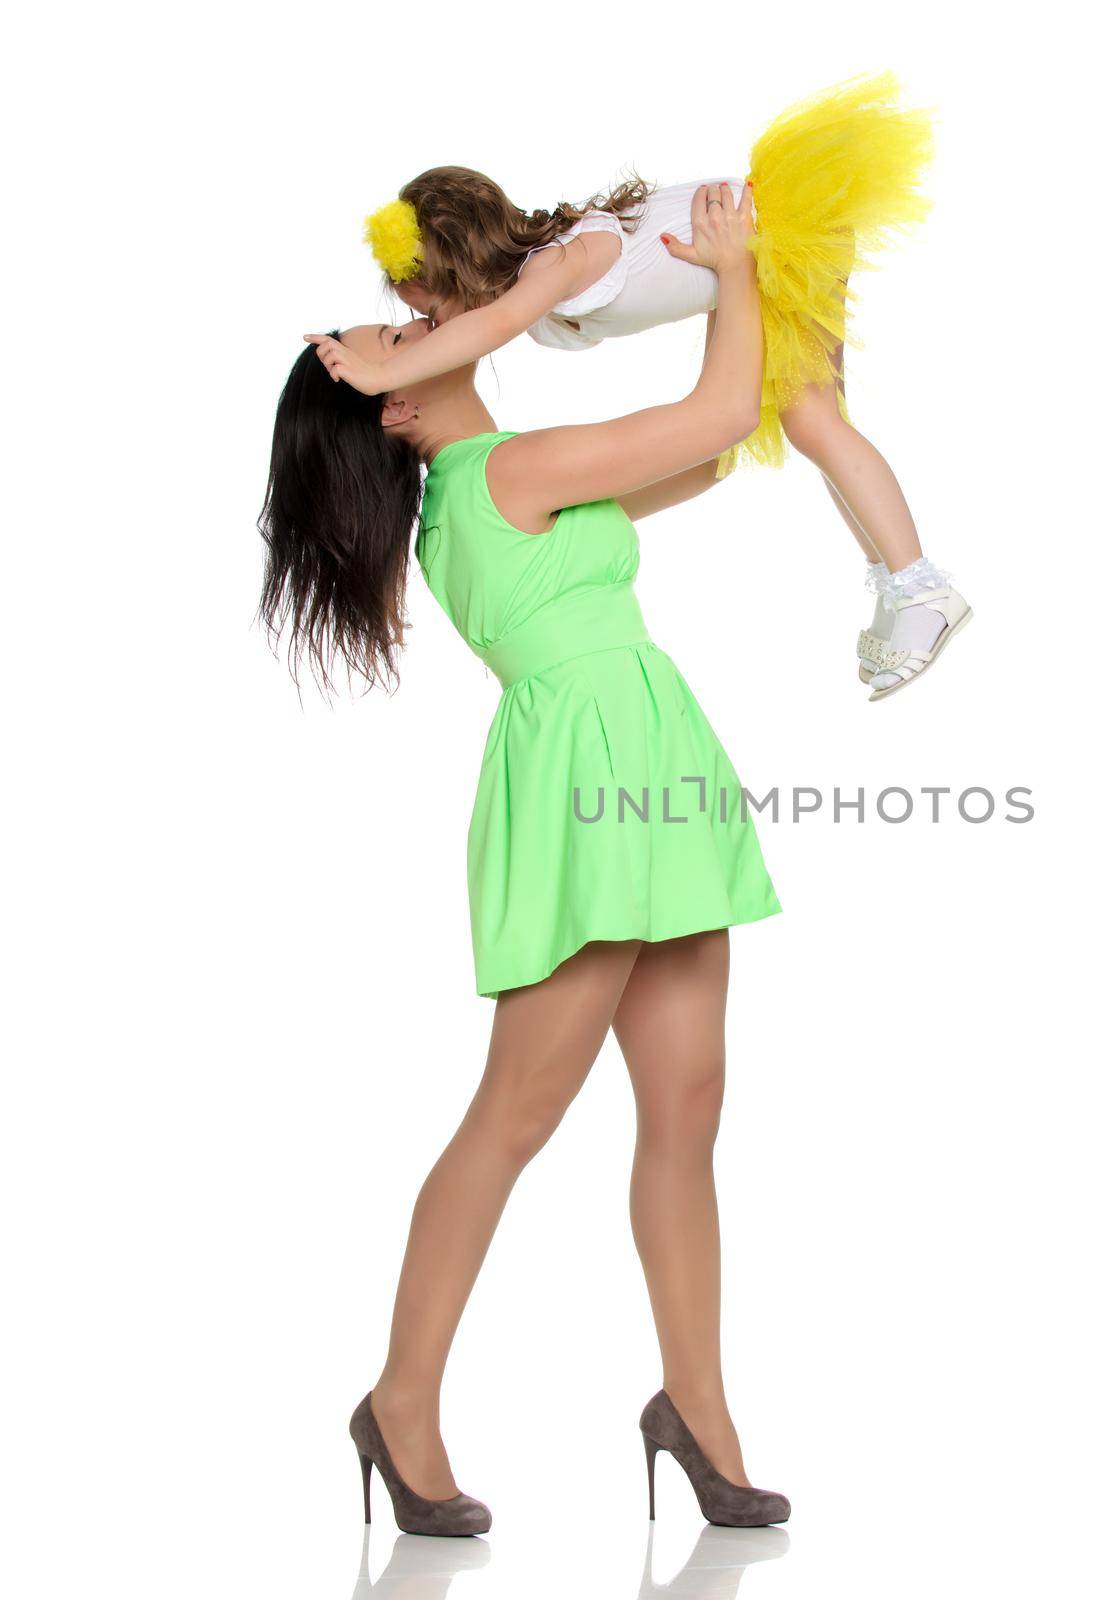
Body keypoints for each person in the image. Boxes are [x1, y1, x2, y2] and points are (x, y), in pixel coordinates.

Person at [259, 183, 788, 1534]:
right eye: (383, 342)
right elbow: (719, 417)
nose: (413, 327)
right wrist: (729, 275)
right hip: (590, 789)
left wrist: (777, 315)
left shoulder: (505, 480)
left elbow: (715, 455)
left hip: (651, 773)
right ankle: (401, 1404)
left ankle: (699, 1411)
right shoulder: (496, 476)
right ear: (394, 406)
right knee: (518, 1116)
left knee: (688, 1110)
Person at [309, 73, 971, 700]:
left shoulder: (555, 266)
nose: (427, 330)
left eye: (421, 315)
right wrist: (730, 282)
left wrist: (381, 370)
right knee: (813, 420)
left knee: (814, 423)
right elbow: (711, 452)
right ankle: (903, 582)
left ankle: (915, 585)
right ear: (396, 410)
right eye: (403, 334)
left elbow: (502, 324)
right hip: (752, 250)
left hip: (774, 228)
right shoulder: (508, 438)